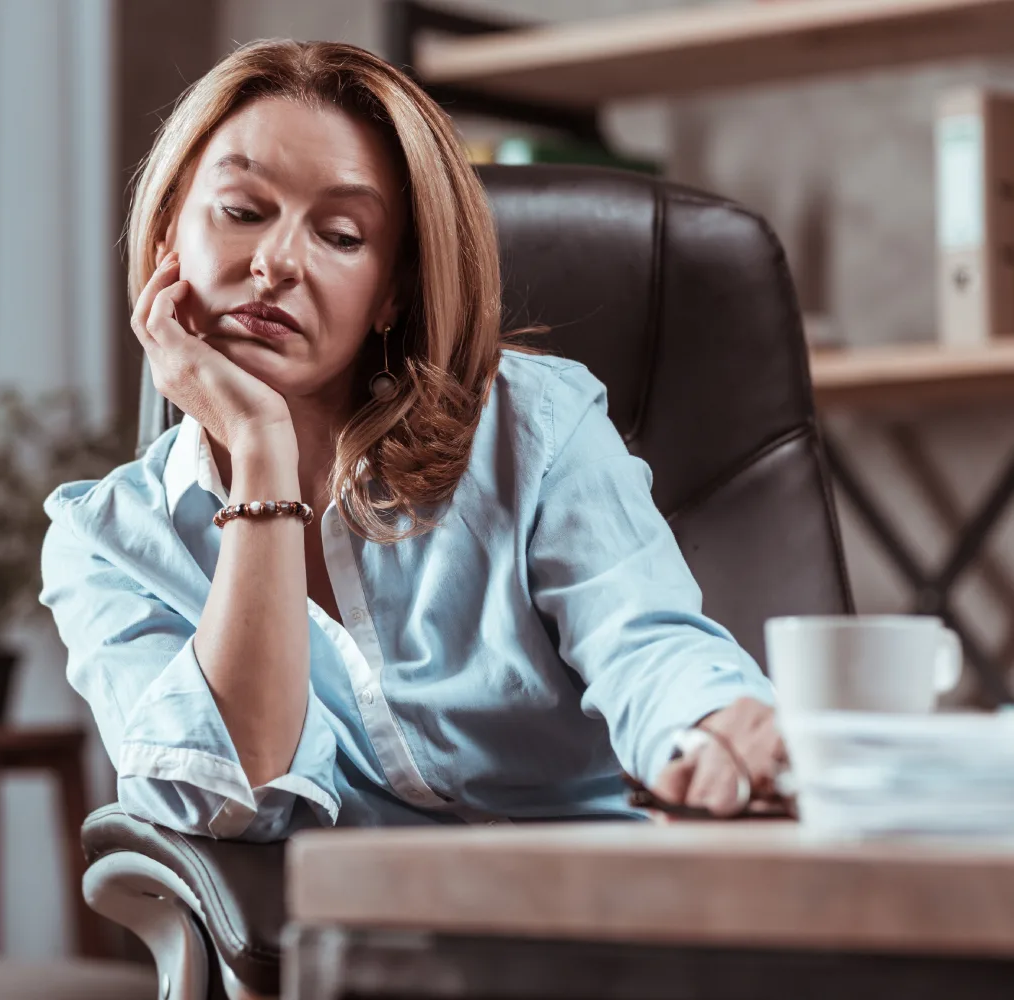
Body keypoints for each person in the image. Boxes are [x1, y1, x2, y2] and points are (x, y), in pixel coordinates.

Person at [39, 39, 784, 842]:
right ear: (165, 241)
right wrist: (261, 445)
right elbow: (236, 791)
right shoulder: (107, 541)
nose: (276, 263)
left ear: (391, 293)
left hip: (593, 915)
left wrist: (710, 732)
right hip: (354, 947)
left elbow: (644, 640)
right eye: (244, 212)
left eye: (342, 235)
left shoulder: (533, 424)